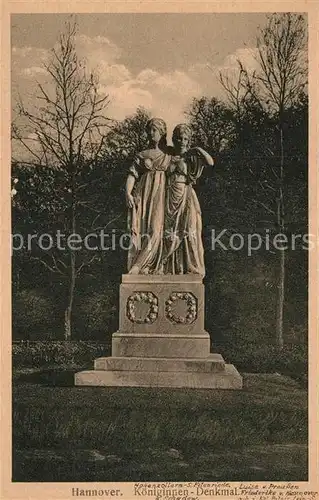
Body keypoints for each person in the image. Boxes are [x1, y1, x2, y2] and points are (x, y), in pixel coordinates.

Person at [163, 123, 214, 276]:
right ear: (174, 139)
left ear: (189, 140)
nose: (182, 141)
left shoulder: (191, 156)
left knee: (190, 230)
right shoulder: (167, 156)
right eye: (179, 138)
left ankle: (191, 267)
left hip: (186, 194)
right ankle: (171, 268)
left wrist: (198, 149)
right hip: (169, 196)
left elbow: (210, 162)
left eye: (185, 138)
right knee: (170, 232)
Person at [125, 118, 171, 274]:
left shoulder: (169, 154)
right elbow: (132, 174)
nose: (151, 133)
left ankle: (143, 264)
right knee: (143, 228)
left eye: (154, 130)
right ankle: (144, 265)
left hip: (162, 193)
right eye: (149, 130)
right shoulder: (143, 154)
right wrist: (128, 193)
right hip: (144, 192)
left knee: (157, 228)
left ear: (162, 132)